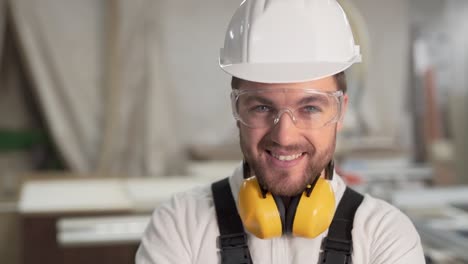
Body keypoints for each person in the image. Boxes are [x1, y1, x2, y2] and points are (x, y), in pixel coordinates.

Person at [136, 0, 425, 263]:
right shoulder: (180, 225)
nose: (285, 137)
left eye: (310, 108)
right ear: (237, 111)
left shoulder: (384, 236)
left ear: (341, 111)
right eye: (262, 107)